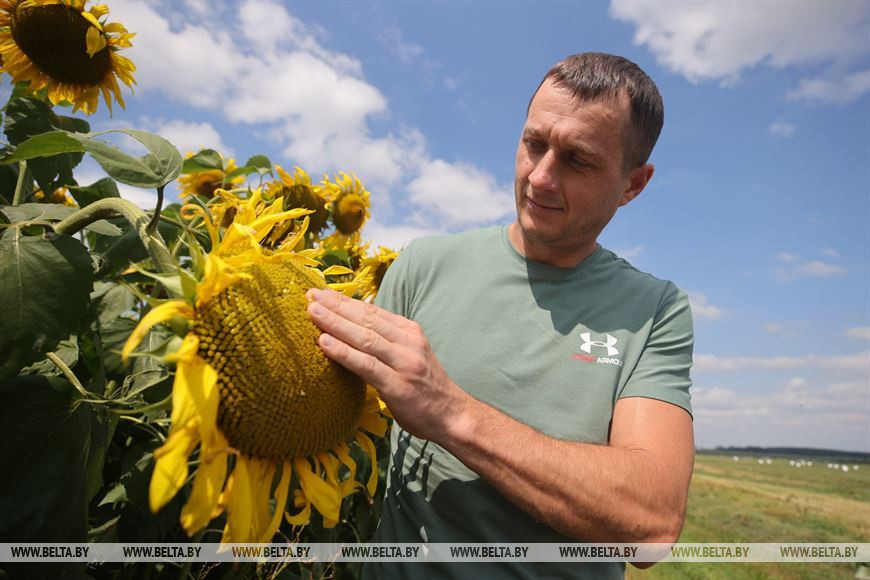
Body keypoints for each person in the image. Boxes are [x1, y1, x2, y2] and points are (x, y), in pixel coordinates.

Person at [306, 52, 695, 578]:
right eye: (534, 143)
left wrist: (450, 413)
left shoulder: (654, 311)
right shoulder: (422, 265)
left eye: (578, 160)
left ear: (633, 184)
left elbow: (650, 524)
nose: (540, 178)